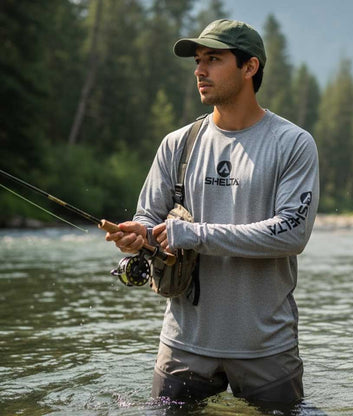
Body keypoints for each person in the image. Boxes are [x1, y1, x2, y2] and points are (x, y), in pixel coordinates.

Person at [106, 19, 319, 408]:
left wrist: (194, 234)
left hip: (266, 349)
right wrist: (139, 238)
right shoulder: (176, 144)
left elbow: (292, 234)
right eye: (198, 61)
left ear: (249, 67)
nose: (199, 70)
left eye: (213, 59)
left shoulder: (293, 143)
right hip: (183, 345)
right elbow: (151, 224)